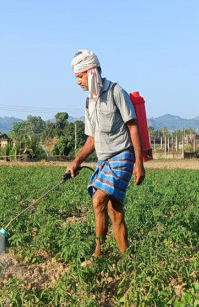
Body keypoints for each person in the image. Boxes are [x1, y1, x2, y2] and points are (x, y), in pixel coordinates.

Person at [66, 50, 145, 266]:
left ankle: (97, 254)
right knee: (115, 211)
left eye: (79, 76)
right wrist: (77, 161)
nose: (78, 82)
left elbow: (133, 127)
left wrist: (139, 163)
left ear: (91, 73)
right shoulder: (88, 102)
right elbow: (92, 139)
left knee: (98, 200)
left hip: (123, 156)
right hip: (104, 161)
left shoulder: (116, 92)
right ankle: (127, 258)